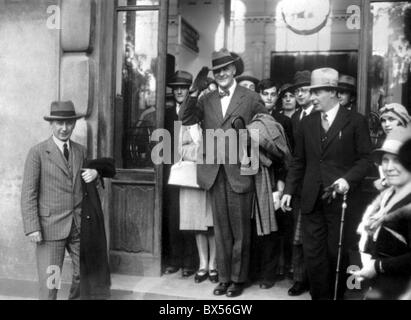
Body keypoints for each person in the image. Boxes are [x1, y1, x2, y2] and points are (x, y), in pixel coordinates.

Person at [179, 48, 267, 297]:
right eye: (217, 70)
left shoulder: (250, 97)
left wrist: (249, 152)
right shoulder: (205, 99)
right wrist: (194, 92)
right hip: (214, 172)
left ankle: (238, 280)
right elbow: (184, 117)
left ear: (234, 70)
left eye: (226, 69)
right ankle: (224, 277)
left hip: (240, 171)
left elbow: (265, 128)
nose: (222, 73)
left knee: (241, 231)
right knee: (221, 229)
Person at [281, 68, 373, 300]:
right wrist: (289, 191)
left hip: (341, 201)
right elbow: (299, 160)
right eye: (312, 92)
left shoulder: (355, 121)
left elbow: (366, 160)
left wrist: (346, 179)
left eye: (317, 92)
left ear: (333, 92)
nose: (312, 97)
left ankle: (337, 296)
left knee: (336, 254)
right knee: (314, 256)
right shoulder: (307, 123)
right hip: (311, 199)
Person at [21, 101, 99, 300]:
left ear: (74, 124)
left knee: (84, 274)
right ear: (51, 124)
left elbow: (88, 186)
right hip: (50, 229)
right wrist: (32, 227)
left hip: (78, 225)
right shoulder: (37, 153)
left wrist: (95, 174)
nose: (64, 128)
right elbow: (28, 193)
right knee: (51, 285)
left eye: (69, 123)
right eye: (59, 123)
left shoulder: (81, 151)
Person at [355, 127, 411, 299]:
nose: (389, 167)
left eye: (398, 161)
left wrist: (378, 266)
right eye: (385, 160)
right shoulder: (388, 196)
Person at [163, 71, 198, 277]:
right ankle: (175, 260)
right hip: (172, 170)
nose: (178, 91)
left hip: (191, 168)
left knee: (190, 214)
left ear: (189, 90)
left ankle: (190, 262)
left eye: (183, 87)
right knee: (173, 214)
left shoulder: (196, 111)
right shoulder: (166, 114)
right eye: (175, 87)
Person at [285, 70, 316, 296]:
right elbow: (295, 157)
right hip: (298, 184)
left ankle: (315, 279)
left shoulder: (321, 116)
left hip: (316, 184)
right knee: (297, 235)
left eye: (304, 90)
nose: (300, 94)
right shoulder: (295, 118)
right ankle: (299, 278)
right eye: (297, 91)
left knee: (313, 234)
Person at [374, 103, 411, 191]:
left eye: (391, 119)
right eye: (383, 120)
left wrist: (384, 182)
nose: (386, 124)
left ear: (402, 121)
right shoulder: (384, 143)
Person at [257, 79, 294, 150]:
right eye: (265, 94)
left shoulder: (285, 121)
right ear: (259, 95)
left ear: (277, 96)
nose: (269, 98)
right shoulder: (251, 117)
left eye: (273, 94)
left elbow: (289, 151)